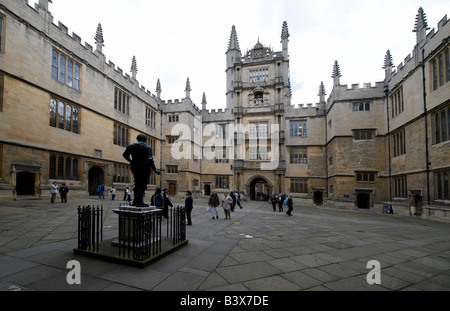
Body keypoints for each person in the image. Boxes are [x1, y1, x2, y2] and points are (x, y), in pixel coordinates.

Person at [123, 134, 161, 207]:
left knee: (137, 183)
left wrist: (131, 161)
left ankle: (135, 201)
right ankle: (140, 202)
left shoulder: (131, 146)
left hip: (135, 167)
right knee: (142, 184)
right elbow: (150, 159)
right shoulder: (147, 147)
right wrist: (155, 169)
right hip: (144, 167)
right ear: (145, 140)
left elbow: (125, 155)